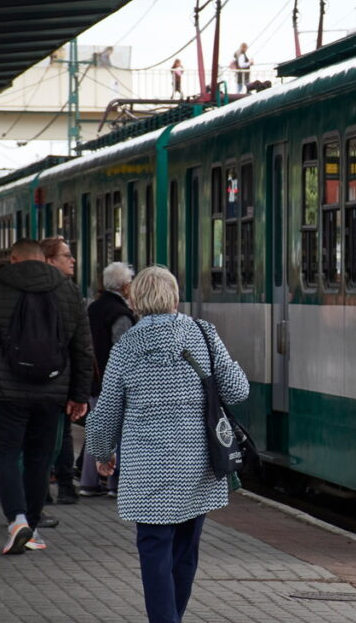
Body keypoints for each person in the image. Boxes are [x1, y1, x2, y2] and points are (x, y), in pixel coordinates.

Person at [86, 267, 248, 623]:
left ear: (135, 300)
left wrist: (102, 453)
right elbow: (237, 390)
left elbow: (108, 409)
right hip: (197, 464)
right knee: (186, 551)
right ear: (175, 298)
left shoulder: (126, 346)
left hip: (148, 467)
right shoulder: (203, 334)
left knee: (155, 549)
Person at [0, 238, 93, 554]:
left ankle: (18, 519)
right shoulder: (68, 290)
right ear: (43, 259)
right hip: (52, 391)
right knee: (40, 458)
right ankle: (34, 526)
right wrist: (79, 395)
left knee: (5, 453)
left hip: (5, 389)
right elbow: (82, 348)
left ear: (14, 258)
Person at [79, 262, 136, 497]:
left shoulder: (93, 308)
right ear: (123, 287)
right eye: (130, 283)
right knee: (117, 433)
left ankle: (89, 482)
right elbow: (124, 351)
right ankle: (114, 484)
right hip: (111, 383)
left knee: (97, 430)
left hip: (93, 379)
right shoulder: (120, 314)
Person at [40, 236, 80, 504]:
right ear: (50, 260)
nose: (73, 260)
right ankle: (65, 486)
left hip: (33, 378)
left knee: (39, 437)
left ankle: (41, 490)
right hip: (60, 376)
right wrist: (79, 389)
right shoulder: (69, 292)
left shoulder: (27, 291)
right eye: (67, 255)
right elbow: (81, 345)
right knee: (60, 433)